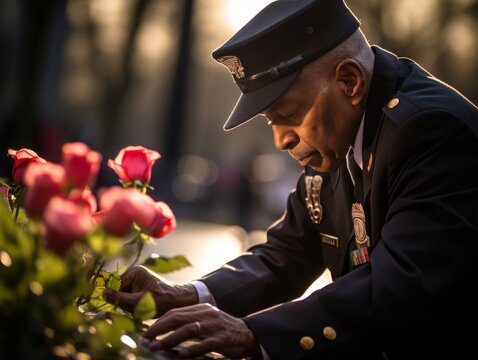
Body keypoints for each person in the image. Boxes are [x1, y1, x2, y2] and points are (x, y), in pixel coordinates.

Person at [104, 0, 478, 359]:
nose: (282, 140)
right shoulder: (338, 133)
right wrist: (189, 294)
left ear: (349, 81)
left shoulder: (431, 130)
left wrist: (255, 333)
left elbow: (399, 284)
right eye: (272, 121)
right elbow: (288, 253)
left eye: (290, 113)